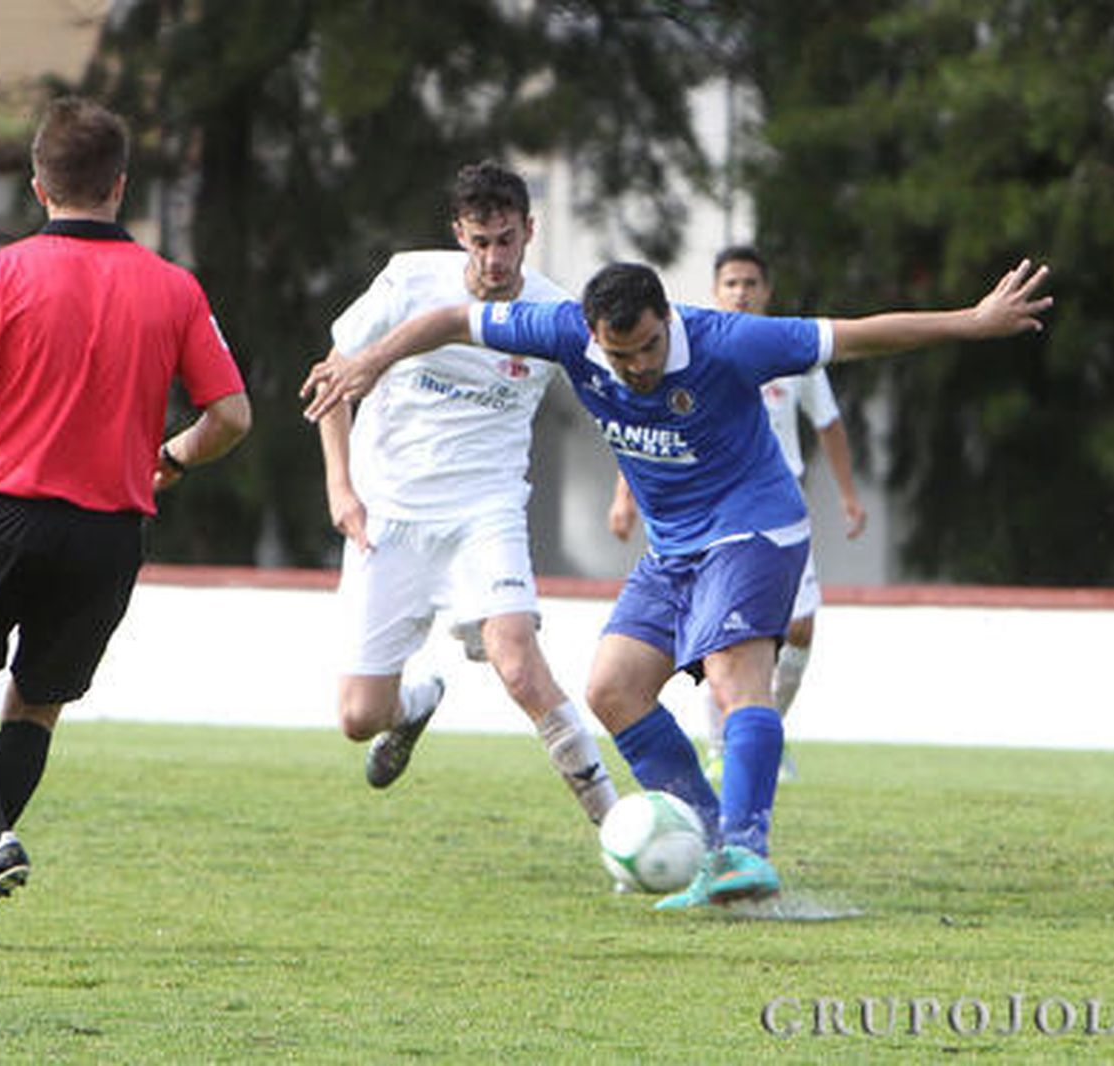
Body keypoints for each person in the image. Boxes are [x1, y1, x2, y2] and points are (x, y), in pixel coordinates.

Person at [302, 257, 1050, 910]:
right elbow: (452, 318)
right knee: (613, 689)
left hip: (755, 528)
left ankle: (747, 847)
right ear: (592, 335)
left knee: (733, 677)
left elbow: (854, 335)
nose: (638, 368)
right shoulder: (564, 330)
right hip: (675, 549)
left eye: (650, 346)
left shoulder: (732, 341)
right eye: (620, 355)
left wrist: (972, 322)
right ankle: (710, 838)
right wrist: (370, 362)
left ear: (669, 317)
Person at [0, 97, 251, 947]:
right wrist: (166, 459)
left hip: (5, 512)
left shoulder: (5, 272)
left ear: (39, 184)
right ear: (120, 186)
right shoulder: (173, 286)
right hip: (108, 534)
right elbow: (232, 415)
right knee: (34, 709)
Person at [316, 161, 617, 825]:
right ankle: (416, 704)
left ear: (529, 231)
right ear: (459, 234)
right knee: (359, 717)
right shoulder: (408, 280)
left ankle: (614, 820)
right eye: (480, 242)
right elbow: (331, 380)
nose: (494, 257)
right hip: (388, 516)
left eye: (506, 239)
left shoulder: (554, 313)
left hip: (486, 512)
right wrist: (341, 487)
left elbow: (618, 397)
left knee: (519, 665)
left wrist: (630, 481)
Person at [607, 245, 867, 783]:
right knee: (719, 640)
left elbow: (830, 425)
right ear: (715, 289)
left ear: (766, 291)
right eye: (731, 283)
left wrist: (847, 494)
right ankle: (727, 745)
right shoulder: (681, 353)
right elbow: (639, 430)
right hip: (704, 514)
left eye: (751, 283)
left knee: (798, 628)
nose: (741, 292)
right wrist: (623, 498)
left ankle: (763, 727)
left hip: (774, 514)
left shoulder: (782, 351)